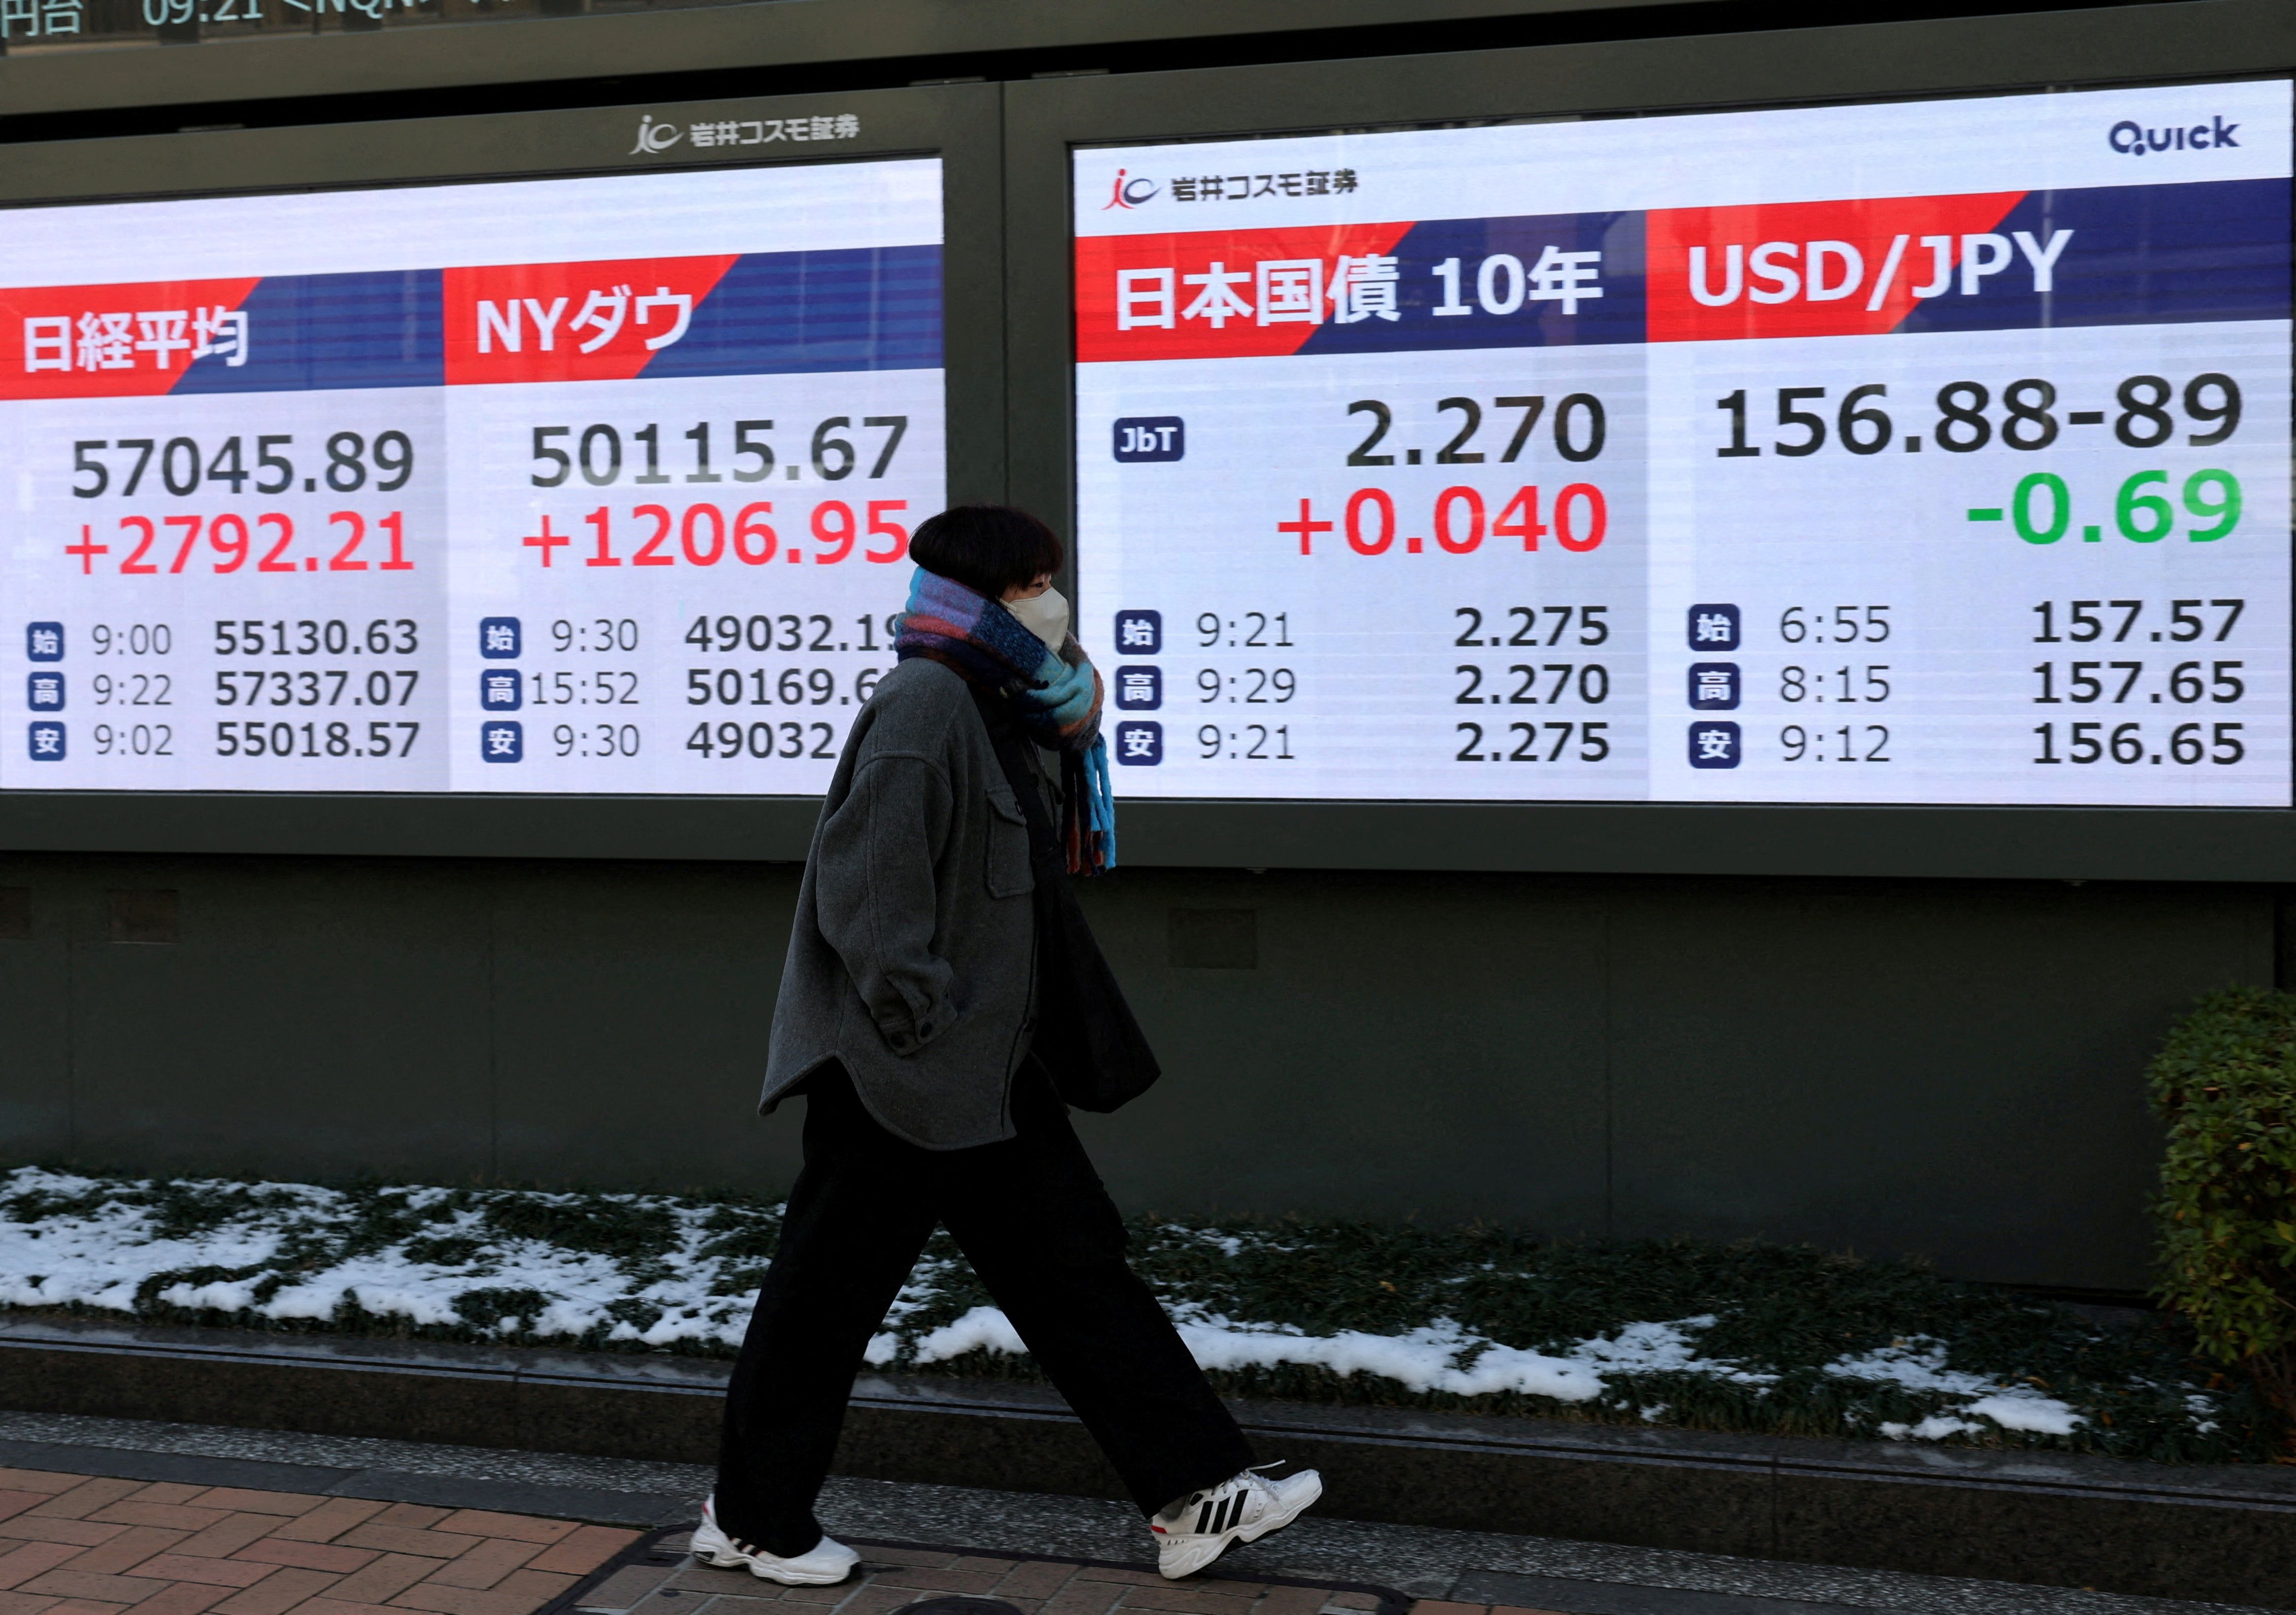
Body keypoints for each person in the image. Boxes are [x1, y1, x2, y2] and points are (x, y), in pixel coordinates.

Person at [695, 505, 1321, 1586]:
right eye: (1030, 582)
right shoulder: (923, 704)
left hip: (983, 1067)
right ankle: (753, 1518)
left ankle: (1196, 1494)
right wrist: (918, 1021)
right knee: (825, 1298)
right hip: (899, 1072)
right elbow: (870, 891)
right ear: (983, 597)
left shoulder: (999, 703)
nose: (1049, 598)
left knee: (1072, 1266)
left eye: (1049, 578)